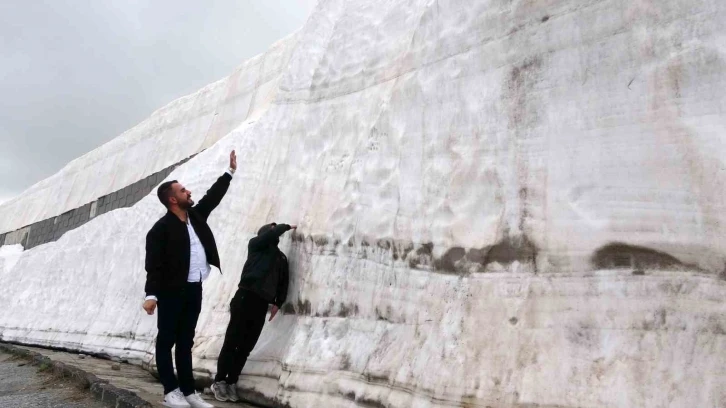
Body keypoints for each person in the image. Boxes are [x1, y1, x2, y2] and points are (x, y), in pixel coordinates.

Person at [142, 151, 237, 408]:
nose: (189, 192)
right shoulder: (159, 230)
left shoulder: (196, 217)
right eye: (183, 191)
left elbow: (212, 198)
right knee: (166, 341)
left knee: (185, 342)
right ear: (173, 199)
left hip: (194, 289)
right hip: (171, 292)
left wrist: (229, 173)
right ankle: (170, 391)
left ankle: (189, 392)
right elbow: (154, 266)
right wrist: (151, 296)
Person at [211, 222, 296, 403]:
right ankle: (219, 381)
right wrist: (284, 226)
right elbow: (268, 236)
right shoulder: (256, 246)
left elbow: (283, 281)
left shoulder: (281, 258)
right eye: (271, 230)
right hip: (245, 297)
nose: (275, 233)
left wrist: (278, 303)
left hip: (261, 303)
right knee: (232, 341)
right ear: (265, 233)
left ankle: (231, 382)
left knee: (246, 346)